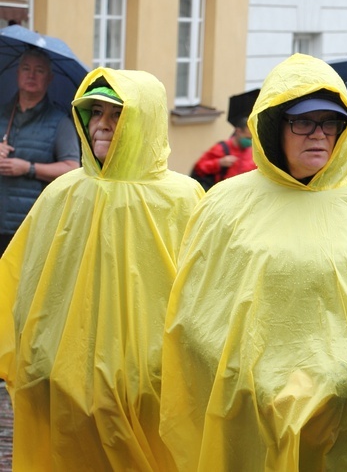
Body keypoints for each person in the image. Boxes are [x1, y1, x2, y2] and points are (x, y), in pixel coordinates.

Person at [159, 53, 347, 471]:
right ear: (273, 125)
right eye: (303, 122)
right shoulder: (227, 204)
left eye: (330, 122)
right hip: (253, 411)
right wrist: (253, 381)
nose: (318, 135)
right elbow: (195, 317)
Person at [0, 68, 204, 470]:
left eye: (116, 114)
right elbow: (23, 278)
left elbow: (203, 290)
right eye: (96, 113)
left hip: (150, 389)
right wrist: (35, 359)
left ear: (144, 120)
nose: (102, 125)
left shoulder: (182, 198)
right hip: (60, 382)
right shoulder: (63, 192)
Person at [0, 48, 80, 254]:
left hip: (30, 225)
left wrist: (29, 168)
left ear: (49, 78)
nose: (31, 75)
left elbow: (72, 168)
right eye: (26, 69)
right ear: (17, 74)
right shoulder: (2, 115)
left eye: (40, 71)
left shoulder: (60, 123)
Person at [190, 116, 256, 189]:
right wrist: (219, 163)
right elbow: (199, 168)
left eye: (252, 139)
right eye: (247, 138)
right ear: (238, 131)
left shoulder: (253, 153)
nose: (250, 141)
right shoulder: (221, 148)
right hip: (221, 192)